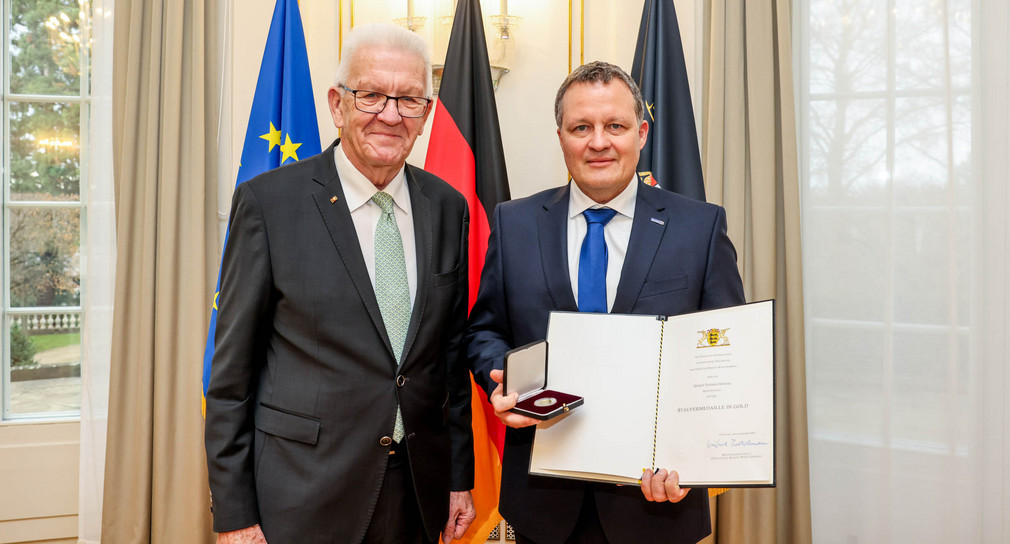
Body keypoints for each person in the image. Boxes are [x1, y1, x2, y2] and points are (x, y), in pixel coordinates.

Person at [205, 23, 475, 544]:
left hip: (418, 489)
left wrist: (458, 479)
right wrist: (236, 516)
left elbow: (449, 362)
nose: (390, 115)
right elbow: (231, 381)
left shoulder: (447, 208)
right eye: (371, 95)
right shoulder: (269, 204)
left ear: (425, 114)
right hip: (303, 493)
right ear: (337, 103)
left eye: (409, 100)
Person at [466, 61, 746, 544]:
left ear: (640, 132)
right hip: (541, 506)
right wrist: (503, 380)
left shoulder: (698, 228)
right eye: (581, 127)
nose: (599, 142)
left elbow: (725, 356)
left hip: (656, 505)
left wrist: (693, 460)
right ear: (560, 136)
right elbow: (485, 331)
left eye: (614, 126)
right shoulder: (515, 223)